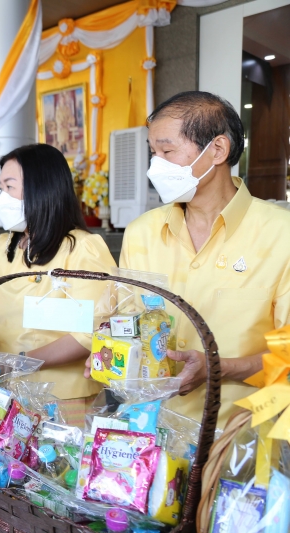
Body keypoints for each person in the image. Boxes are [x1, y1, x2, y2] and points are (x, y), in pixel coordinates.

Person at [88, 90, 290, 424]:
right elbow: (121, 318)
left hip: (239, 436)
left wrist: (219, 368)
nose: (156, 166)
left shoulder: (280, 233)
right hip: (149, 431)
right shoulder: (141, 232)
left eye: (167, 150)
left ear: (218, 150)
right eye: (153, 153)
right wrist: (108, 352)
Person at [0, 144, 116, 425]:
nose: (2, 199)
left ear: (42, 188)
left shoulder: (83, 248)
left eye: (10, 187)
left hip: (64, 399)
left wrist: (19, 361)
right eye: (0, 188)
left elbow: (92, 333)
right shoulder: (4, 245)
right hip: (6, 391)